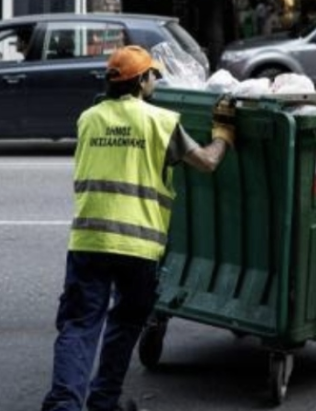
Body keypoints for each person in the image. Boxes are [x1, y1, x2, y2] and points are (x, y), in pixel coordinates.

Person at [41, 45, 236, 411]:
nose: (155, 82)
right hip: (138, 248)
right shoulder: (160, 122)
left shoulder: (89, 119)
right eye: (153, 76)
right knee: (125, 323)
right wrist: (223, 133)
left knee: (80, 326)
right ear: (140, 81)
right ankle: (103, 401)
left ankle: (64, 406)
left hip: (90, 241)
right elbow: (208, 162)